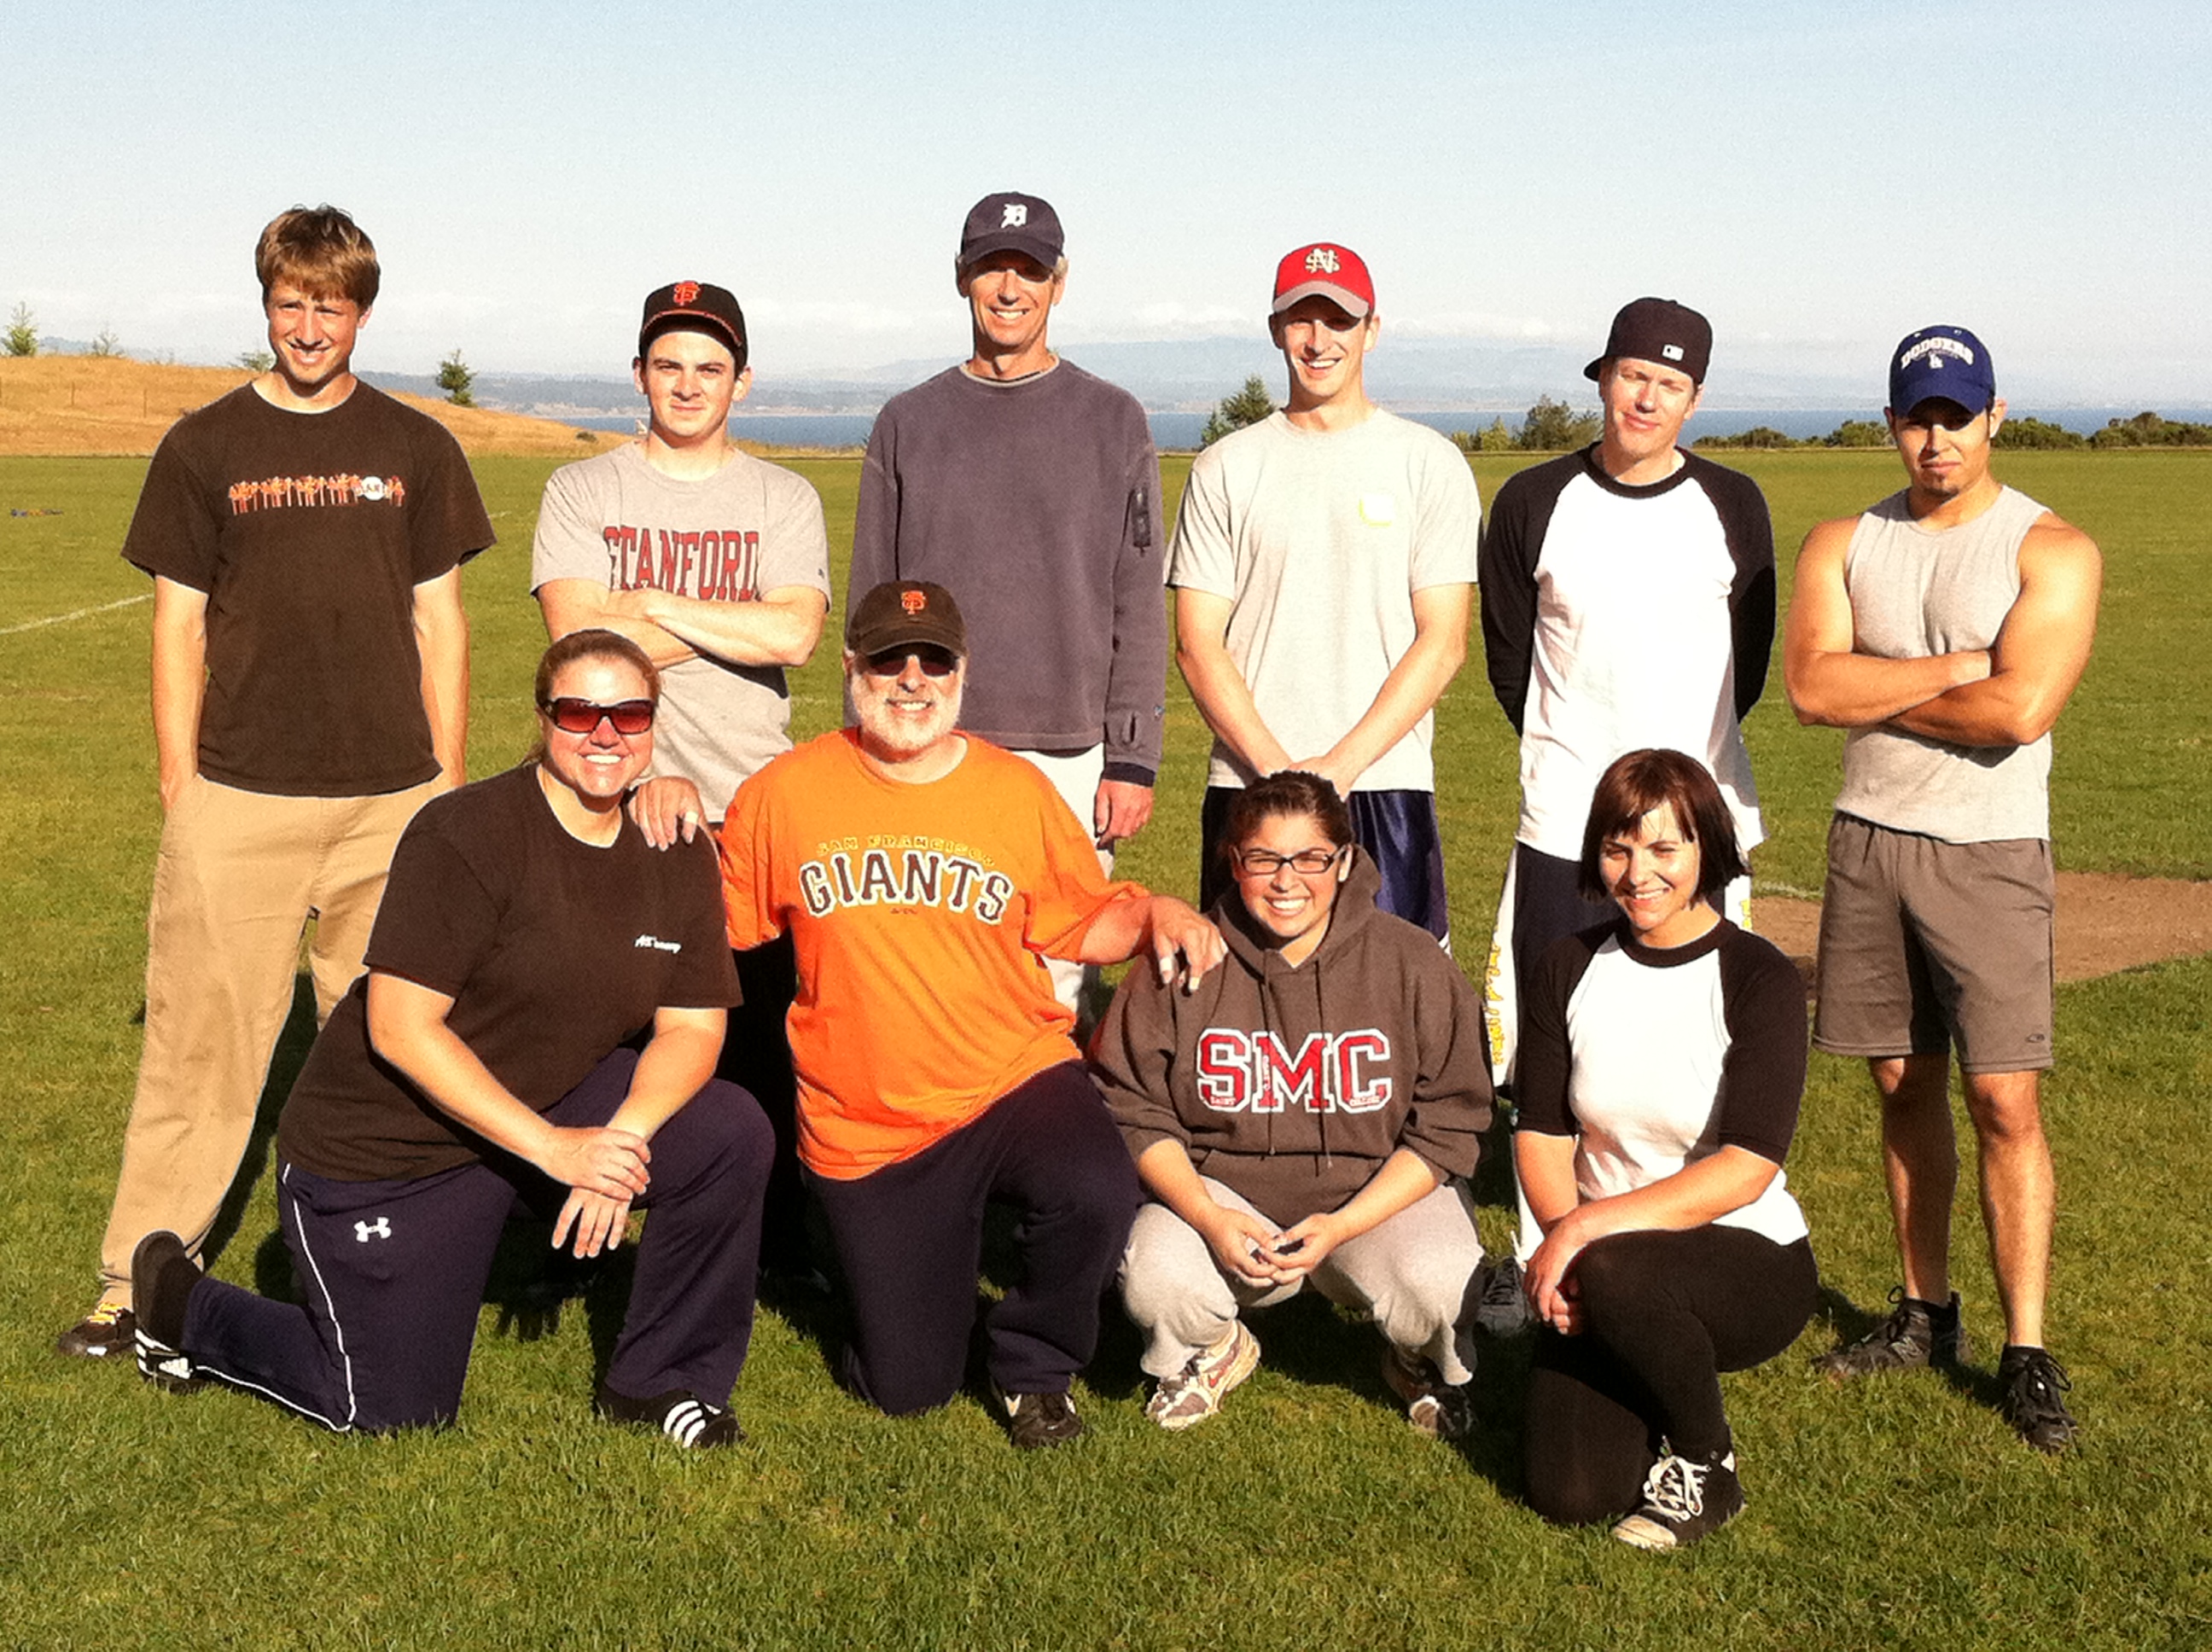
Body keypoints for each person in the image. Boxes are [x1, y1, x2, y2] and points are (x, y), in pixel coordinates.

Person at [128, 631, 772, 1447]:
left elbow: (693, 1026)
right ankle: (183, 1306)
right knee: (392, 1410)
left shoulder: (673, 847)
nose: (605, 733)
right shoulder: (466, 833)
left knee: (728, 1132)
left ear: (653, 723)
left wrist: (619, 1141)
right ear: (544, 718)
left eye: (629, 713)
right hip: (392, 1150)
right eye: (580, 711)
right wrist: (557, 1153)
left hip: (540, 1105)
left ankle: (660, 1384)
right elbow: (400, 1028)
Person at [58, 206, 491, 1360]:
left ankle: (394, 1263)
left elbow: (442, 626)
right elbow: (176, 628)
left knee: (395, 1048)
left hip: (391, 805)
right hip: (238, 801)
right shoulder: (205, 448)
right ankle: (131, 1290)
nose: (310, 326)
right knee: (201, 1054)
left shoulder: (415, 447)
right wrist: (179, 786)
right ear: (267, 307)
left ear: (362, 312)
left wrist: (446, 791)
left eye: (331, 306)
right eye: (291, 304)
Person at [718, 581, 1223, 1449]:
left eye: (934, 659)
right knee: (907, 1387)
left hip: (1009, 1078)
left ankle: (1035, 1368)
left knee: (1095, 1187)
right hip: (865, 1121)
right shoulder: (783, 794)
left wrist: (1154, 914)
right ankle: (892, 1296)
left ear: (961, 671)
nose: (911, 678)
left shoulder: (1013, 789)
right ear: (851, 669)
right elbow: (723, 931)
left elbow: (1081, 915)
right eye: (887, 658)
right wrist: (666, 813)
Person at [1784, 325, 2101, 1452]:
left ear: (1994, 416)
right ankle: (1926, 1314)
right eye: (1918, 415)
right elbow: (1811, 692)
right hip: (1869, 839)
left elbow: (2020, 714)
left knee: (2005, 1100)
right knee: (1896, 1081)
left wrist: (1875, 687)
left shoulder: (2051, 549)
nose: (1936, 436)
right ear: (1891, 423)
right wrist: (1962, 668)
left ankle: (2027, 1348)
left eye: (1956, 414)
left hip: (1991, 849)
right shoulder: (1844, 539)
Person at [1474, 296, 1776, 1332]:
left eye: (1673, 383)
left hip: (1701, 828)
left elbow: (1753, 664)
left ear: (1696, 398)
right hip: (1565, 824)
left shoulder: (1734, 503)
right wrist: (1590, 786)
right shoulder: (1533, 500)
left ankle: (1681, 1253)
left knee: (1697, 1054)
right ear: (1602, 378)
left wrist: (1677, 804)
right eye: (1634, 374)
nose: (1649, 397)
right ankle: (1536, 1262)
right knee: (1553, 1060)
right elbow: (1511, 661)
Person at [532, 277, 831, 1277]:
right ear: (639, 375)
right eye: (669, 365)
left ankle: (762, 1242)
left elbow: (795, 630)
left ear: (741, 381)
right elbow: (583, 656)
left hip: (752, 802)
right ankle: (580, 1212)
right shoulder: (585, 489)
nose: (689, 384)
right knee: (606, 1021)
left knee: (750, 1034)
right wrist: (716, 624)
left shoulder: (781, 497)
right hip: (607, 796)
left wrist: (650, 603)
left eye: (710, 367)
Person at [1092, 771, 1492, 1436]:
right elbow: (1134, 1107)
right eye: (1264, 859)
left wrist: (1339, 1227)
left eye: (1309, 859)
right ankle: (1212, 1351)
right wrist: (1208, 1216)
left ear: (1343, 862)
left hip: (1369, 1201)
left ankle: (1414, 1355)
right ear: (1234, 861)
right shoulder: (1185, 960)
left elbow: (1449, 1124)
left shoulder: (1411, 962)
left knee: (1441, 1280)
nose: (1286, 881)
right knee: (1156, 1274)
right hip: (1227, 1201)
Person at [852, 191, 1167, 1015]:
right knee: (923, 965)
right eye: (992, 266)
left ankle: (1044, 1136)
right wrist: (870, 737)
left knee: (1053, 978)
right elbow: (868, 605)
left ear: (1059, 283)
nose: (1009, 287)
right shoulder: (907, 422)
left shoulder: (1113, 420)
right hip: (930, 737)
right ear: (962, 279)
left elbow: (1137, 599)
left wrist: (1131, 756)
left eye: (1029, 269)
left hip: (1069, 755)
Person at [1516, 749, 1815, 1551]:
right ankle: (1650, 1371)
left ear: (1705, 849)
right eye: (1618, 848)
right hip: (1603, 1263)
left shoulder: (1760, 978)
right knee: (1570, 1492)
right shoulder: (1567, 966)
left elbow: (1748, 1166)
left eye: (1663, 849)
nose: (1637, 873)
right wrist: (1563, 1233)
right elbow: (1541, 1131)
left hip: (1747, 1257)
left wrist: (1585, 1234)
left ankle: (1708, 1464)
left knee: (1621, 1266)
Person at [1170, 241, 1477, 945]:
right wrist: (1282, 777)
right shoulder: (1227, 466)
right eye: (1301, 320)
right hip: (1248, 786)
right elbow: (1197, 643)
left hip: (1383, 784)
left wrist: (1337, 770)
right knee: (1242, 1011)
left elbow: (1444, 640)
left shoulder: (1427, 463)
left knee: (1391, 1013)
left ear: (1371, 329)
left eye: (1338, 320)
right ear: (1277, 330)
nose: (1319, 340)